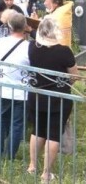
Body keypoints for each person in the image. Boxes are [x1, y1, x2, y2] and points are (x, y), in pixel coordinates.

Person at [27, 18, 78, 182]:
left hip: (37, 94)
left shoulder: (32, 47)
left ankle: (32, 166)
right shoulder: (64, 51)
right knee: (54, 134)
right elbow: (73, 75)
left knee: (38, 130)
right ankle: (46, 173)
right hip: (58, 97)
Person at [0, 13, 29, 159]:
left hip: (3, 86)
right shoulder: (28, 47)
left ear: (9, 26)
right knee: (17, 124)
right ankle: (10, 154)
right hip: (22, 90)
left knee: (0, 120)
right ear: (25, 27)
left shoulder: (0, 42)